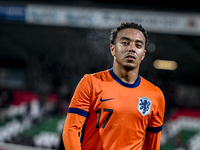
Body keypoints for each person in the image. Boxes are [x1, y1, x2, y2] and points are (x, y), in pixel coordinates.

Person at [62, 22, 165, 150]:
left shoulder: (155, 95)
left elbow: (153, 145)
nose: (132, 48)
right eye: (125, 43)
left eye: (138, 45)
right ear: (113, 49)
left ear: (143, 54)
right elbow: (71, 129)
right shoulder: (91, 83)